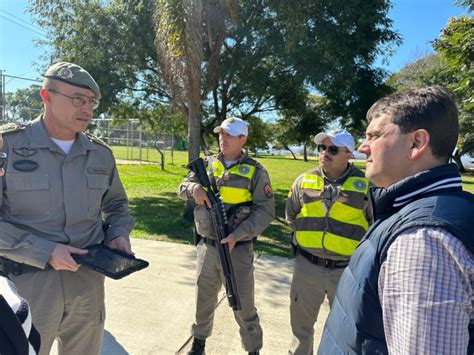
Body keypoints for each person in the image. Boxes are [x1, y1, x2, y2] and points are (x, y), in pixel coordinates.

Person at [318, 86, 474, 354]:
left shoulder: (423, 241)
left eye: (375, 135)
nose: (363, 148)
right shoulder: (428, 210)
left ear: (416, 143)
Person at [0, 62, 135, 355]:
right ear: (46, 96)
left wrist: (118, 234)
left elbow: (117, 205)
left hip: (87, 284)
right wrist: (43, 250)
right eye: (77, 99)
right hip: (27, 285)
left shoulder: (99, 154)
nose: (86, 108)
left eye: (91, 101)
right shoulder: (6, 146)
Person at [178, 117, 275, 355]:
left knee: (243, 304)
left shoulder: (256, 171)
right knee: (204, 299)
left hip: (238, 249)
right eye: (221, 134)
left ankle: (253, 349)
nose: (223, 139)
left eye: (230, 135)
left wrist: (237, 235)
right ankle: (198, 343)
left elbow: (266, 211)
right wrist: (194, 189)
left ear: (243, 139)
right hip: (208, 247)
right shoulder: (207, 164)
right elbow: (181, 188)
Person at [285, 129, 372, 354]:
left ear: (349, 154)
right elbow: (291, 215)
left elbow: (375, 227)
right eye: (322, 148)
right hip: (307, 268)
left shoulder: (367, 186)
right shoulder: (304, 180)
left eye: (332, 149)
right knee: (300, 330)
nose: (325, 153)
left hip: (346, 271)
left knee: (346, 333)